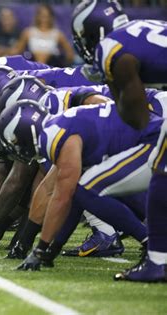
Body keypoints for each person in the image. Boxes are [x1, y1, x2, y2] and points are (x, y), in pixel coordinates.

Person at [71, 0, 167, 282]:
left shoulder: (111, 48)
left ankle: (158, 262)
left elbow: (138, 119)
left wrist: (115, 90)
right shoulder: (141, 29)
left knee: (160, 168)